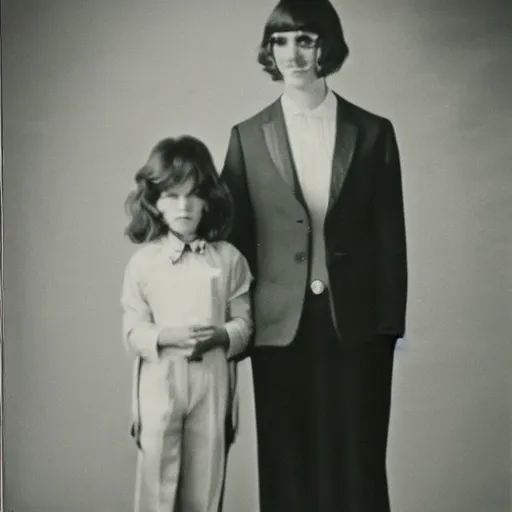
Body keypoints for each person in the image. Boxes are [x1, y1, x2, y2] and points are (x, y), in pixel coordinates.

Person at [220, 1, 408, 511]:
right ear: (269, 50)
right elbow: (232, 240)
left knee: (359, 461)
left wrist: (389, 327)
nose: (293, 53)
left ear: (328, 45)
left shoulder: (373, 133)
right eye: (281, 40)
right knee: (286, 465)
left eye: (306, 39)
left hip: (358, 322)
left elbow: (391, 237)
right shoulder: (246, 136)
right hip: (278, 324)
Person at [120, 135, 253, 512]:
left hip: (212, 382)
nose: (183, 205)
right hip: (160, 380)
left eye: (193, 194)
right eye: (171, 195)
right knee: (157, 488)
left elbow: (245, 324)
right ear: (155, 202)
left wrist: (221, 336)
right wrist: (167, 336)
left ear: (208, 200)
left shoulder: (228, 259)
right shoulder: (144, 264)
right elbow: (133, 330)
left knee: (205, 485)